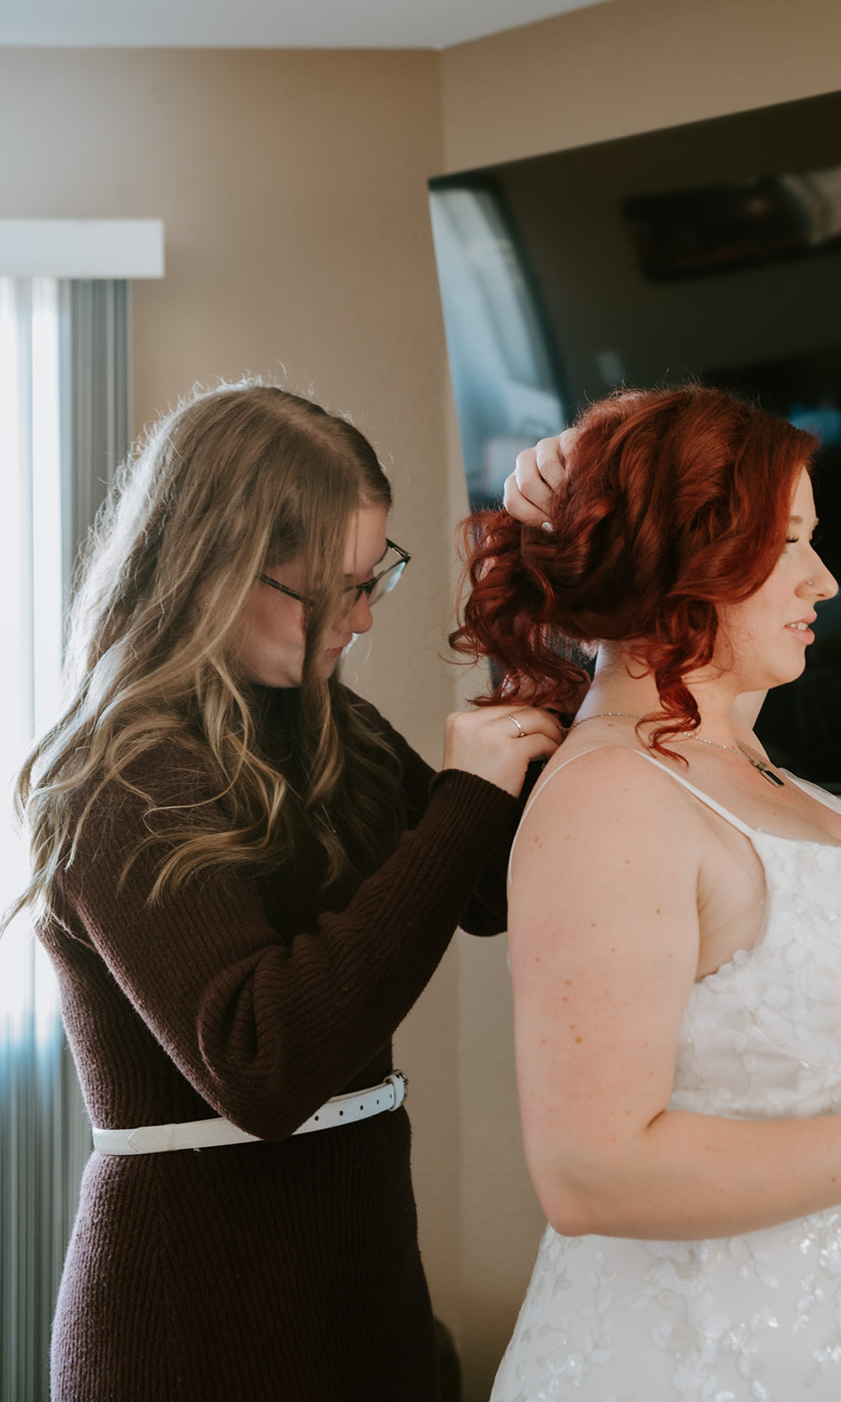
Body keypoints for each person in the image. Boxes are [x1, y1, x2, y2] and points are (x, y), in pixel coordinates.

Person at [6, 380, 563, 1402]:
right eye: (326, 591)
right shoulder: (118, 774)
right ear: (209, 567)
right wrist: (462, 800)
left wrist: (551, 625)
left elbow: (489, 883)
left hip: (360, 1289)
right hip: (197, 1323)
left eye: (372, 579)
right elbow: (262, 1060)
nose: (359, 618)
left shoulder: (325, 722)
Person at [452, 384, 841, 1402]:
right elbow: (592, 1170)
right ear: (684, 561)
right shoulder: (609, 799)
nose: (824, 579)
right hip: (697, 1364)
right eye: (787, 544)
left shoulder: (736, 758)